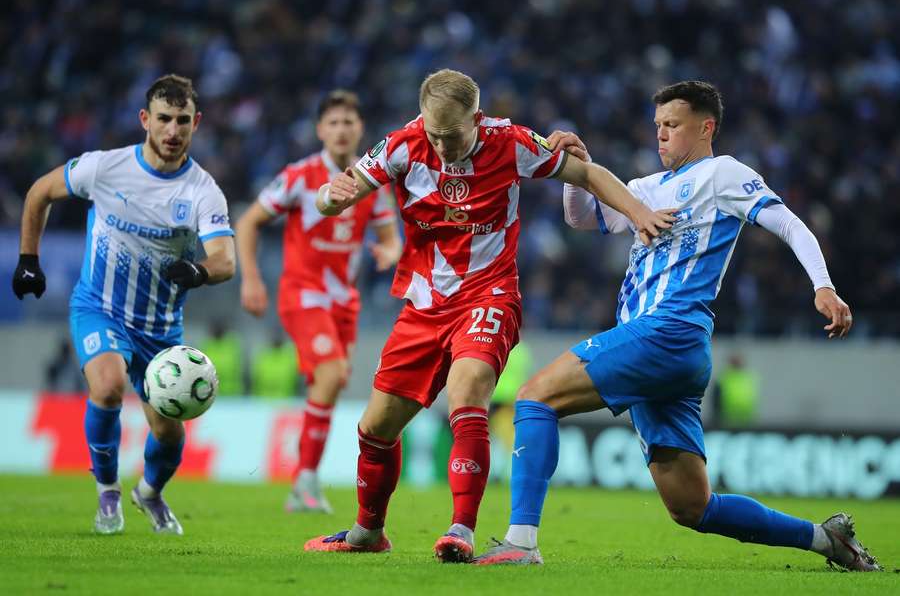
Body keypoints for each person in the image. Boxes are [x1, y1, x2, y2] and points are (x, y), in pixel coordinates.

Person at [473, 81, 881, 572]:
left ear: (705, 127)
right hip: (669, 354)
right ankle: (826, 539)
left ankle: (521, 541)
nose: (661, 136)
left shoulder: (722, 174)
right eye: (658, 126)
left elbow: (790, 224)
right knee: (693, 508)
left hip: (668, 331)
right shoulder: (644, 190)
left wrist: (823, 286)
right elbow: (582, 220)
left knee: (535, 397)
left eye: (673, 126)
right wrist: (575, 172)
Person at [303, 69, 674, 562]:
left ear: (477, 119)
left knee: (467, 393)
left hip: (488, 294)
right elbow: (333, 194)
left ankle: (461, 529)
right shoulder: (401, 144)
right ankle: (367, 533)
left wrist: (638, 212)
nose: (441, 146)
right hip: (424, 305)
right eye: (433, 134)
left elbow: (588, 173)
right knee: (375, 430)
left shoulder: (511, 141)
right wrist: (333, 198)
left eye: (452, 135)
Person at [11, 74, 236, 535]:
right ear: (144, 120)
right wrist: (28, 259)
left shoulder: (201, 190)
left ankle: (149, 492)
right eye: (164, 120)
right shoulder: (104, 168)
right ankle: (107, 492)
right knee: (109, 385)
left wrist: (198, 271)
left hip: (160, 329)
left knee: (170, 432)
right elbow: (39, 193)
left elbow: (225, 260)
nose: (173, 131)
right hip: (100, 307)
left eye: (183, 121)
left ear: (197, 123)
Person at [235, 90, 401, 513]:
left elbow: (390, 238)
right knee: (329, 375)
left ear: (360, 129)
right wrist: (251, 279)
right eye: (334, 122)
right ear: (319, 130)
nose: (342, 130)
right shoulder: (299, 176)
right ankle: (305, 483)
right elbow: (250, 221)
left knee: (332, 380)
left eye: (349, 122)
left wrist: (389, 252)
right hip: (303, 293)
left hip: (345, 302)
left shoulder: (373, 184)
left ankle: (302, 482)